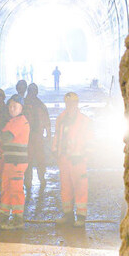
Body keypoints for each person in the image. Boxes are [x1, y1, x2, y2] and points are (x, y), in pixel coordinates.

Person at [53, 92, 93, 226]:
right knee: (66, 187)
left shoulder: (84, 120)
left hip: (78, 159)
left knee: (80, 187)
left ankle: (81, 217)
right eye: (68, 103)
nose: (70, 105)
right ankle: (68, 215)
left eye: (73, 103)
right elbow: (57, 136)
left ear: (77, 103)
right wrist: (55, 151)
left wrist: (84, 156)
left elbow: (90, 141)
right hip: (64, 159)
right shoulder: (61, 118)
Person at [0, 95, 30, 229]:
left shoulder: (20, 121)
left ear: (21, 108)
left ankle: (18, 219)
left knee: (15, 189)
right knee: (6, 188)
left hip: (17, 162)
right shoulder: (12, 121)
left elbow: (4, 138)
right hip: (10, 161)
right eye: (10, 106)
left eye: (15, 106)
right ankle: (3, 217)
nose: (11, 108)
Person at [23, 82, 51, 197]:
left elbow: (46, 120)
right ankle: (28, 181)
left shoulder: (40, 105)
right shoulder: (23, 104)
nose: (33, 94)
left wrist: (48, 134)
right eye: (31, 91)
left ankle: (41, 178)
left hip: (37, 136)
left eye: (34, 91)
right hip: (27, 137)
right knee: (27, 160)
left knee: (40, 158)